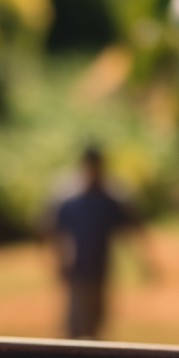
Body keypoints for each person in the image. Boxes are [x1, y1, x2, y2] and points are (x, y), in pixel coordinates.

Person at [48, 145, 153, 339]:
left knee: (96, 326)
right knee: (75, 328)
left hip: (100, 270)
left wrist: (143, 262)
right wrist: (60, 261)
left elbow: (131, 229)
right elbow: (56, 232)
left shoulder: (109, 201)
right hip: (78, 271)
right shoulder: (72, 201)